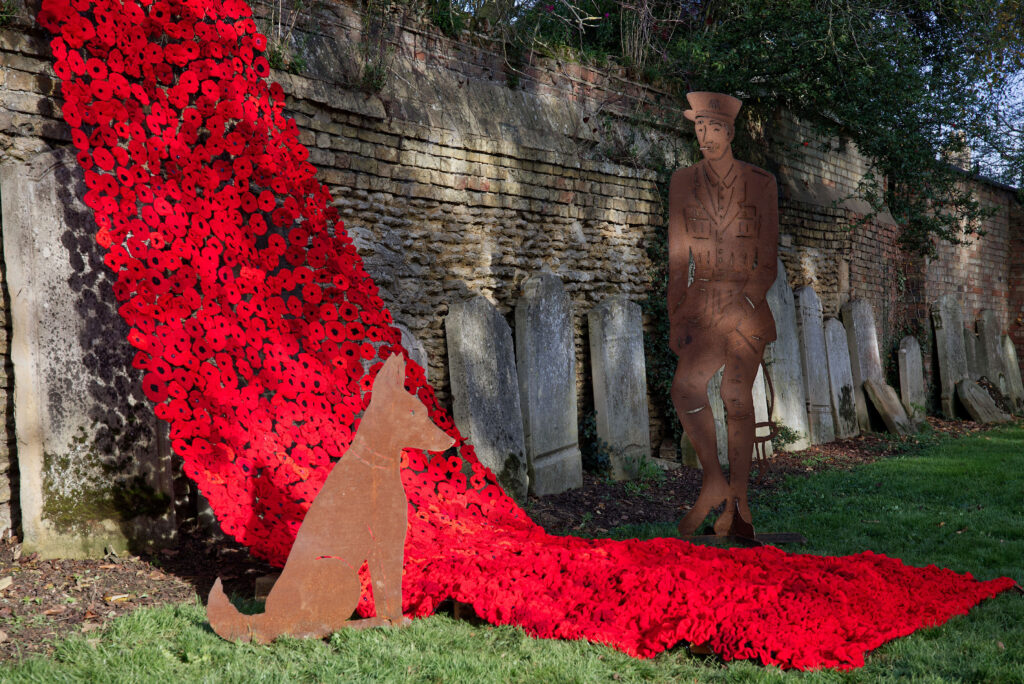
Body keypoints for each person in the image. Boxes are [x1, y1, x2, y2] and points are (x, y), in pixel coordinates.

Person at [668, 92, 778, 537]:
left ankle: (740, 501)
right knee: (686, 388)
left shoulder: (760, 182)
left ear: (729, 132)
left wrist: (743, 307)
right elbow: (677, 260)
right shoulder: (682, 181)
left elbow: (767, 261)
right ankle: (713, 482)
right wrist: (676, 316)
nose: (704, 137)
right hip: (703, 304)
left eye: (712, 128)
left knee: (735, 396)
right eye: (698, 128)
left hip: (747, 308)